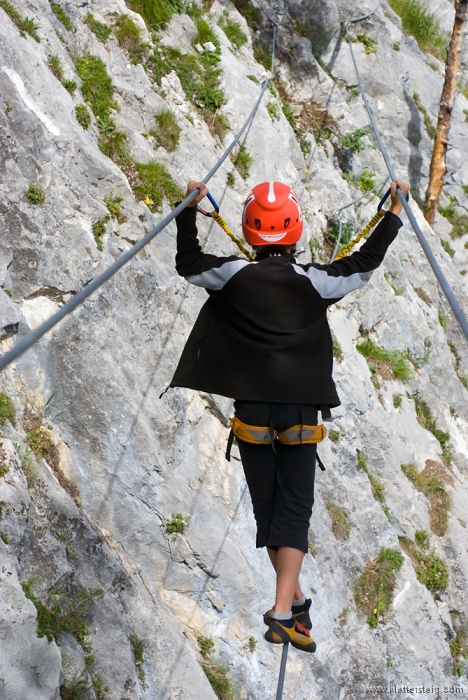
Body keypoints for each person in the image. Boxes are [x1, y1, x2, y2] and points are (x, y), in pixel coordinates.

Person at [170, 178, 410, 653]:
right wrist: (393, 216)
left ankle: (295, 602)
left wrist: (186, 212)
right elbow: (361, 266)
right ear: (296, 232)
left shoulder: (233, 275)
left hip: (252, 411)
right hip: (300, 411)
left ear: (249, 231)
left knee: (268, 506)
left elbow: (189, 264)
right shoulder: (313, 282)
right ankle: (283, 613)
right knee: (294, 508)